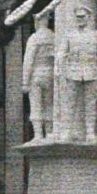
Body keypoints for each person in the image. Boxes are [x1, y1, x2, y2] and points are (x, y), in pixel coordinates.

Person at [56, 6, 97, 143]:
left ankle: (90, 132)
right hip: (73, 72)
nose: (80, 19)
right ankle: (67, 131)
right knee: (69, 103)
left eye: (83, 16)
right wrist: (60, 71)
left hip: (92, 72)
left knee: (90, 104)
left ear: (89, 17)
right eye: (78, 17)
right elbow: (61, 54)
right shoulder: (69, 35)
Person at [21, 12, 55, 143]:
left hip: (36, 74)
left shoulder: (34, 38)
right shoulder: (54, 37)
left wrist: (25, 82)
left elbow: (28, 61)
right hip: (50, 74)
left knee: (36, 105)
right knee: (49, 104)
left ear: (37, 21)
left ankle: (38, 135)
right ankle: (50, 133)